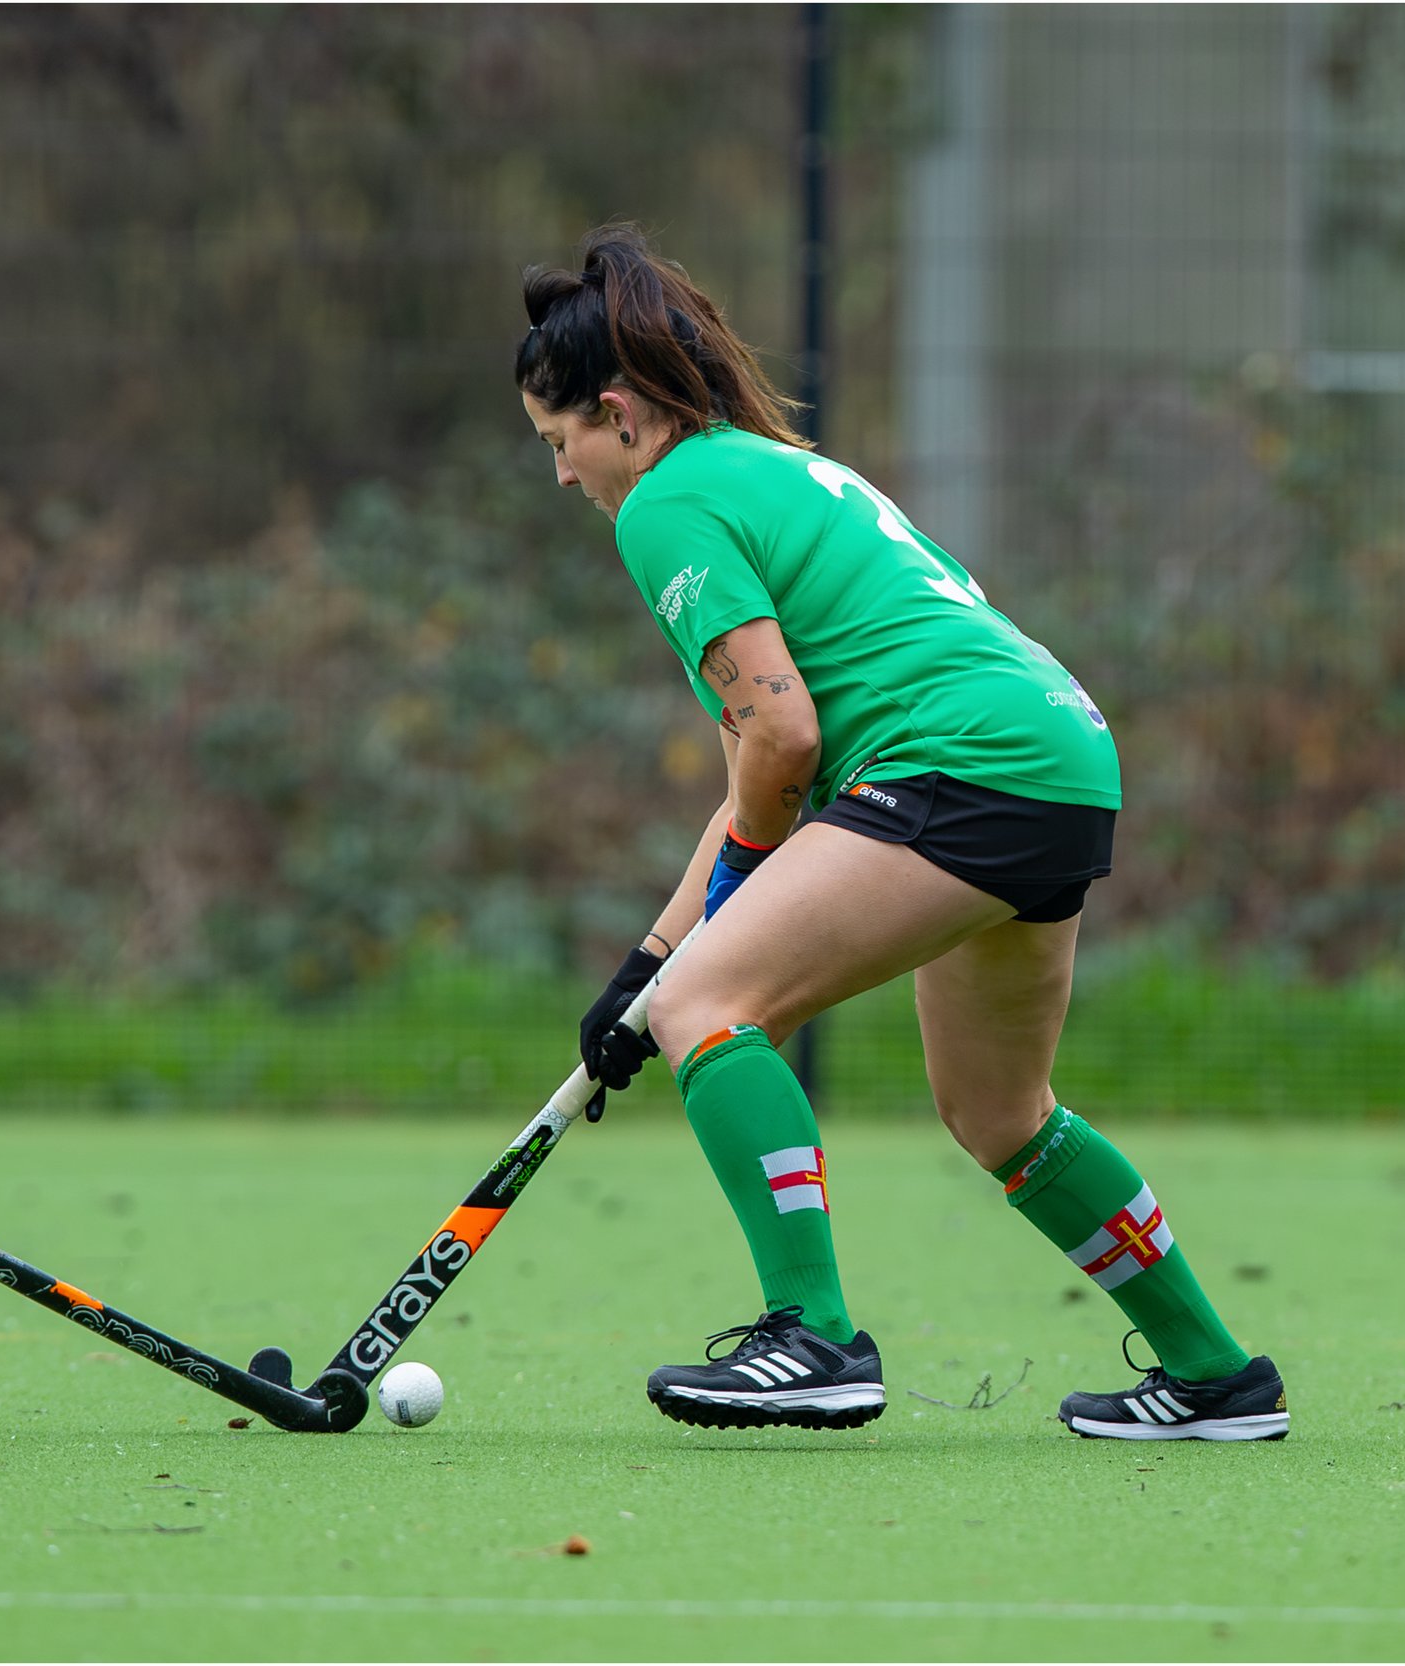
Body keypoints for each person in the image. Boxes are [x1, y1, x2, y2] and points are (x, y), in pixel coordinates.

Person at [516, 225, 1286, 1442]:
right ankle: (1215, 1375)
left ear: (614, 413)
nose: (562, 475)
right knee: (999, 1111)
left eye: (557, 443)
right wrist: (649, 961)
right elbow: (746, 768)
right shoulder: (764, 467)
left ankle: (810, 1335)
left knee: (711, 1013)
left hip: (956, 764)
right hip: (1057, 753)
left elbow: (782, 742)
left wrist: (696, 972)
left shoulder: (665, 503)